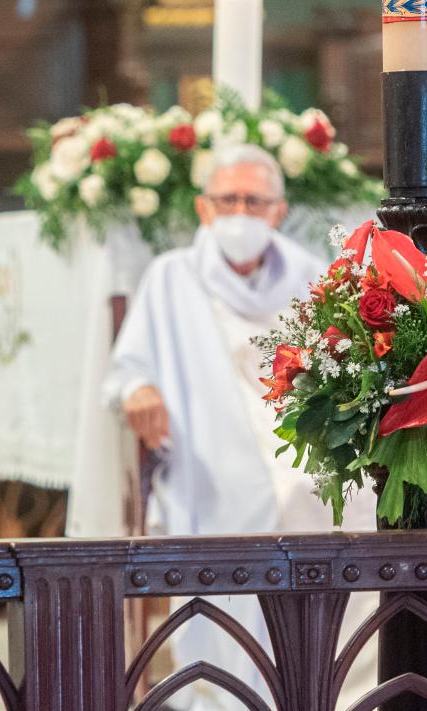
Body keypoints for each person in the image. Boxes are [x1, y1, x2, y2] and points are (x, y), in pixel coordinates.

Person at [108, 144, 366, 710]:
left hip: (300, 437)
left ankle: (334, 689)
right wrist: (140, 389)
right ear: (204, 209)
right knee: (238, 501)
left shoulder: (310, 275)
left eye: (254, 200)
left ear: (278, 210)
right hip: (210, 442)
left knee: (340, 499)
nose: (240, 212)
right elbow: (129, 368)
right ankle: (222, 692)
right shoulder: (170, 277)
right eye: (228, 199)